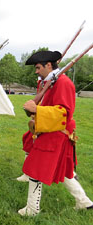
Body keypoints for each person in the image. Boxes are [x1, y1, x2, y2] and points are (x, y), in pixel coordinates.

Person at [18, 50, 93, 216]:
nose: (36, 71)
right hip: (49, 130)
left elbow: (63, 113)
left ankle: (32, 209)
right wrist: (36, 111)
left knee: (35, 168)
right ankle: (84, 202)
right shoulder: (51, 82)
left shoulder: (63, 83)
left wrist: (37, 109)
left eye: (38, 67)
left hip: (56, 132)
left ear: (49, 65)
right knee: (65, 171)